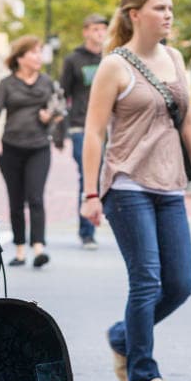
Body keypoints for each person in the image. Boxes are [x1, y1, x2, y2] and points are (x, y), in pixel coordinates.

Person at [80, 0, 191, 381]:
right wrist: (89, 192)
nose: (168, 15)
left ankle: (123, 336)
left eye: (170, 7)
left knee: (179, 283)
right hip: (126, 184)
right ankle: (144, 376)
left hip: (170, 183)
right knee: (146, 281)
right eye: (159, 7)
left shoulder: (174, 59)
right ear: (135, 14)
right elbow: (93, 133)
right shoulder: (115, 66)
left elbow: (188, 122)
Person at [0, 36, 62, 268]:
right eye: (33, 52)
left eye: (40, 52)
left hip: (39, 146)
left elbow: (59, 110)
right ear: (20, 57)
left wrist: (49, 117)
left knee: (36, 196)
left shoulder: (47, 82)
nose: (39, 57)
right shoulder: (6, 83)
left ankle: (38, 247)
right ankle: (20, 249)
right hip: (10, 147)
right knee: (16, 199)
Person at [60, 13, 109, 250]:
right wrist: (61, 130)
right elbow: (63, 94)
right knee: (88, 175)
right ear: (86, 31)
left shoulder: (113, 57)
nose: (100, 33)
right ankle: (87, 231)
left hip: (111, 126)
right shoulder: (73, 60)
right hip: (82, 125)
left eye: (103, 29)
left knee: (110, 175)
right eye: (95, 29)